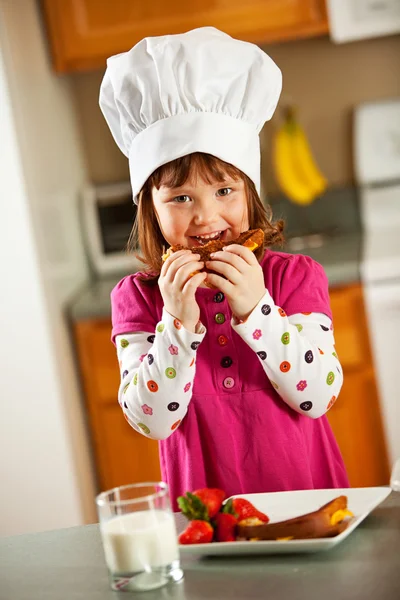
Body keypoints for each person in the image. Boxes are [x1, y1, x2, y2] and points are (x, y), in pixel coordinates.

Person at [99, 27, 349, 507]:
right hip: (204, 516)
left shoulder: (294, 278)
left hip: (307, 500)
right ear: (149, 208)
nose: (206, 216)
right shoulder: (136, 299)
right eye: (181, 197)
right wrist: (177, 324)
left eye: (224, 191)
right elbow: (151, 420)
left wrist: (257, 310)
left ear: (249, 191)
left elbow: (317, 397)